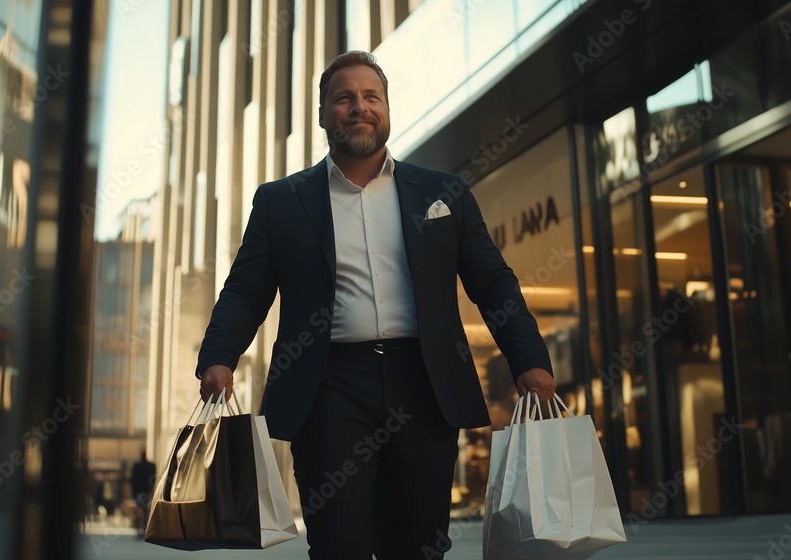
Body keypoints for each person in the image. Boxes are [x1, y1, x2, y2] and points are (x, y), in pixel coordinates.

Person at [197, 50, 555, 559]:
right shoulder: (282, 201)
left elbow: (492, 282)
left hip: (425, 382)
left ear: (387, 109)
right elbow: (246, 290)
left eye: (371, 97)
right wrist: (218, 357)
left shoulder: (442, 191)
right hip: (328, 386)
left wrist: (529, 360)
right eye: (344, 98)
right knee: (338, 540)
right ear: (323, 114)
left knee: (419, 543)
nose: (358, 107)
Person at [130, 450, 156, 535]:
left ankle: (138, 527)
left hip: (139, 491)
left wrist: (134, 492)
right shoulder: (151, 466)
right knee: (145, 510)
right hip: (147, 491)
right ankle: (145, 527)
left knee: (138, 509)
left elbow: (133, 480)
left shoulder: (137, 466)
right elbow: (154, 478)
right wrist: (151, 490)